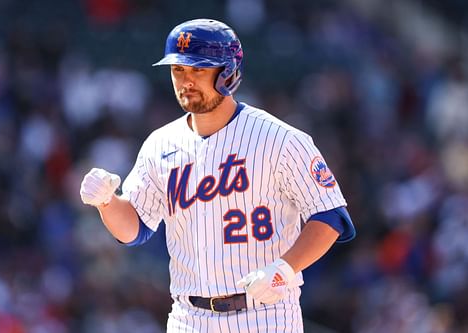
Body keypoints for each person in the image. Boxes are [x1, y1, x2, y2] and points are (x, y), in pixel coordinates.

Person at [80, 18, 356, 333]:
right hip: (188, 317)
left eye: (198, 70)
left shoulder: (278, 138)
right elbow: (134, 229)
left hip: (264, 312)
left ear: (227, 73)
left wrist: (285, 268)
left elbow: (330, 216)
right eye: (178, 70)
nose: (185, 80)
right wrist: (106, 202)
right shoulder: (160, 144)